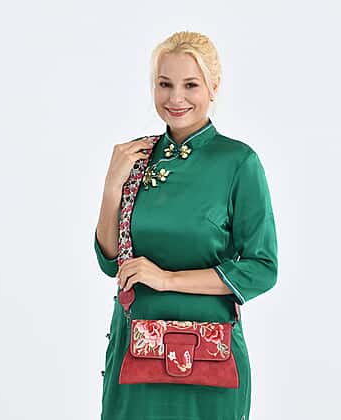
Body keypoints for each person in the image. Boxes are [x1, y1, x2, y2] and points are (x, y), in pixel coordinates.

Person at [94, 30, 278, 420]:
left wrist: (167, 279)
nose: (176, 98)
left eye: (190, 85)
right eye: (165, 84)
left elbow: (262, 268)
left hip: (212, 359)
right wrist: (112, 186)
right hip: (134, 354)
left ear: (214, 86)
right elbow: (111, 262)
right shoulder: (136, 157)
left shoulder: (239, 162)